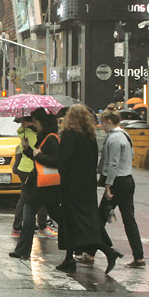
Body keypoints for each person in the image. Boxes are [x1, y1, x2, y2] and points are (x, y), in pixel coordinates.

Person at [38, 104, 112, 272]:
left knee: (75, 221)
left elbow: (64, 161)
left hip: (72, 185)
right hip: (87, 185)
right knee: (79, 220)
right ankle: (69, 258)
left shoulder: (69, 135)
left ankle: (107, 251)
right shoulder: (90, 136)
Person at [97, 110, 146, 268]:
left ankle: (93, 253)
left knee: (99, 218)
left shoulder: (114, 139)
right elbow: (130, 155)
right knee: (129, 220)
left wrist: (108, 185)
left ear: (109, 122)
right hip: (128, 180)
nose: (101, 125)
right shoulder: (125, 135)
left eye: (103, 122)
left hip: (117, 181)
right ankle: (139, 257)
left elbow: (113, 164)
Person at [12, 109, 60, 260]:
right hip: (37, 184)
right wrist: (28, 149)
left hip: (46, 186)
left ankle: (78, 244)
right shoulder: (42, 136)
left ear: (42, 121)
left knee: (58, 217)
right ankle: (22, 250)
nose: (34, 124)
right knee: (28, 215)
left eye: (35, 121)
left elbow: (55, 160)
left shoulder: (51, 138)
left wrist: (38, 154)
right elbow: (36, 158)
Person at [10, 113, 52, 237]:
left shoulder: (26, 134)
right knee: (34, 199)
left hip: (25, 168)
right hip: (30, 169)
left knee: (25, 199)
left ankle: (17, 227)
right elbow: (36, 153)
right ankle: (41, 226)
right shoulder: (32, 135)